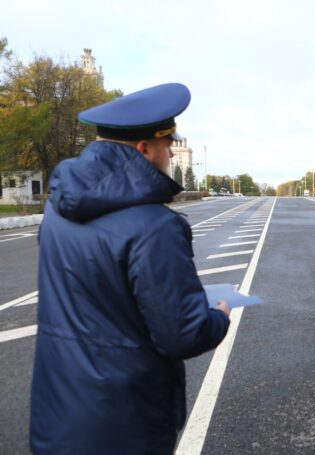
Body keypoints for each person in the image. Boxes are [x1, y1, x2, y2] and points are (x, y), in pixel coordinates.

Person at [30, 83, 231, 454]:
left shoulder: (57, 209)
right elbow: (182, 334)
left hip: (57, 414)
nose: (172, 151)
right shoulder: (156, 226)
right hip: (124, 425)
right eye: (168, 142)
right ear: (145, 149)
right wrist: (218, 316)